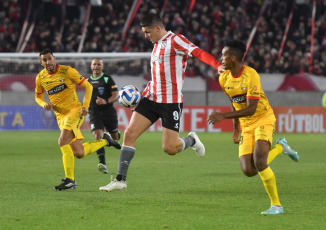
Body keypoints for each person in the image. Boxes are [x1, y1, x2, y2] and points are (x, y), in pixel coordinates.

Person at [99, 13, 224, 192]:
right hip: (150, 98)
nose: (145, 36)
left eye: (147, 32)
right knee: (130, 134)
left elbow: (198, 52)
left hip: (170, 102)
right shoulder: (156, 45)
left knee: (170, 148)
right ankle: (120, 180)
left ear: (158, 28)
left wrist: (217, 65)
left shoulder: (176, 40)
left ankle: (191, 140)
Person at [207, 40, 299, 215]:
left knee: (259, 161)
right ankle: (281, 147)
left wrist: (223, 116)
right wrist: (236, 129)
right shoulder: (223, 78)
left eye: (223, 55)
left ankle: (276, 206)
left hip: (262, 118)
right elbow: (234, 103)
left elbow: (251, 108)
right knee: (249, 171)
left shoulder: (251, 75)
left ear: (233, 58)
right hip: (246, 124)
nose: (221, 58)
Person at [35, 49, 121, 191]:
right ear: (41, 62)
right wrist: (44, 104)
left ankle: (70, 181)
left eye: (49, 58)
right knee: (79, 153)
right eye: (44, 60)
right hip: (60, 116)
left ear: (54, 58)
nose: (48, 62)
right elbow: (38, 96)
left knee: (62, 141)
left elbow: (87, 86)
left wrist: (85, 106)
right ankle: (106, 140)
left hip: (74, 111)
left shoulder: (67, 71)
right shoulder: (40, 77)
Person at [87, 58, 120, 174]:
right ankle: (102, 163)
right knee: (97, 136)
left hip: (108, 112)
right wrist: (84, 107)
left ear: (102, 66)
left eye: (98, 64)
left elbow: (116, 95)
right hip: (95, 113)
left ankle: (109, 138)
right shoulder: (87, 81)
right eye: (94, 64)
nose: (96, 66)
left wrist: (105, 101)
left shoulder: (107, 78)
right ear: (91, 66)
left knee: (115, 138)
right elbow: (85, 97)